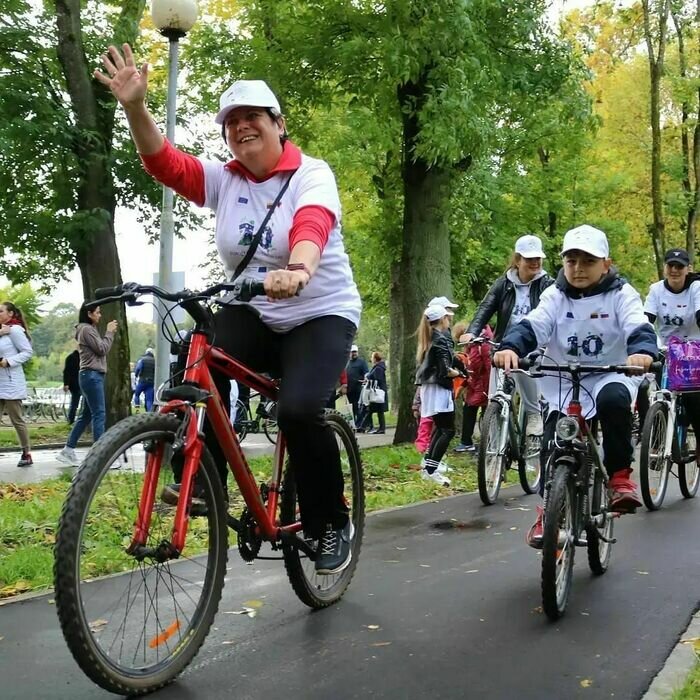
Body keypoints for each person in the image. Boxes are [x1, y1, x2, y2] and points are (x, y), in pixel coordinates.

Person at [95, 45, 362, 575]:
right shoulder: (226, 179)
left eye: (252, 118)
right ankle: (202, 480)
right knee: (201, 363)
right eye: (231, 122)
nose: (241, 128)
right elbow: (165, 163)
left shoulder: (312, 174)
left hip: (320, 312)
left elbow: (311, 225)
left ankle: (330, 520)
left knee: (299, 410)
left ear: (278, 124)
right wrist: (134, 108)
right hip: (256, 309)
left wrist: (300, 269)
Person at [493, 225, 658, 547]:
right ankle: (547, 512)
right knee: (553, 438)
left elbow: (638, 324)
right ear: (564, 264)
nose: (579, 269)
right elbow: (534, 325)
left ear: (606, 264)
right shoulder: (555, 294)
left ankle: (620, 478)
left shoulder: (621, 293)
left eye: (588, 261)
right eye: (572, 261)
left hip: (612, 371)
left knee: (614, 402)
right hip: (563, 376)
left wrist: (642, 352)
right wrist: (511, 347)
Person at [460, 235, 553, 436]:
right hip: (503, 344)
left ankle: (534, 414)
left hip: (532, 345)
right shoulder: (504, 283)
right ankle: (494, 436)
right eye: (529, 259)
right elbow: (486, 307)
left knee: (525, 368)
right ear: (518, 260)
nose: (535, 263)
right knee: (496, 393)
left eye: (538, 258)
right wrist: (471, 332)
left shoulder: (547, 284)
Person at [639, 247, 700, 438]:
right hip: (666, 349)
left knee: (694, 397)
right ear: (665, 268)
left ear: (688, 269)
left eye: (679, 267)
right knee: (656, 392)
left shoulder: (696, 287)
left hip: (693, 350)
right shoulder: (656, 290)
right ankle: (653, 430)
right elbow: (645, 320)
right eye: (670, 265)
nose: (674, 270)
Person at [57, 305, 118, 466]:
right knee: (99, 414)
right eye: (97, 312)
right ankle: (100, 457)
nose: (100, 315)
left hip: (88, 375)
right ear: (89, 314)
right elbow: (102, 349)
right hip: (92, 376)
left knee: (86, 415)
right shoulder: (87, 330)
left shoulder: (87, 329)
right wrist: (109, 332)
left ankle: (68, 450)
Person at [415, 304, 462, 486]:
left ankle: (429, 466)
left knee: (440, 429)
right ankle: (432, 470)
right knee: (447, 430)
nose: (449, 320)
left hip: (430, 387)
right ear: (442, 319)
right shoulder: (440, 339)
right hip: (438, 388)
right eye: (447, 317)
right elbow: (445, 370)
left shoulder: (429, 337)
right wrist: (459, 374)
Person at [0, 302, 34, 467]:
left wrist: (9, 361)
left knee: (16, 420)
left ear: (11, 314)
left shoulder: (14, 330)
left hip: (11, 383)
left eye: (0, 311)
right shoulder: (2, 331)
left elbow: (27, 352)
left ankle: (26, 453)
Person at [454, 325, 493, 453]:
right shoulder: (477, 344)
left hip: (481, 385)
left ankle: (472, 442)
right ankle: (479, 442)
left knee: (473, 411)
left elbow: (480, 366)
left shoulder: (479, 345)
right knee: (475, 411)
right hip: (479, 384)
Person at [359, 351, 388, 434]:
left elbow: (377, 379)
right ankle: (364, 426)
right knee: (375, 410)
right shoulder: (379, 367)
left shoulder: (378, 368)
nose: (371, 359)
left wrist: (368, 377)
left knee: (373, 410)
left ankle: (363, 426)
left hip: (377, 393)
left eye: (372, 358)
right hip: (378, 392)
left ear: (375, 359)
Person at [346, 344, 369, 425]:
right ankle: (353, 423)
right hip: (349, 389)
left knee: (358, 407)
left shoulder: (361, 362)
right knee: (351, 407)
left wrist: (365, 379)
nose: (354, 353)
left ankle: (360, 424)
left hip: (358, 388)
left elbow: (366, 372)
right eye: (352, 352)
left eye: (355, 352)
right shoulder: (347, 362)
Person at [133, 347, 155, 411]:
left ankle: (137, 410)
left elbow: (138, 368)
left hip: (142, 381)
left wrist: (136, 375)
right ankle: (149, 413)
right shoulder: (155, 361)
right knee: (149, 400)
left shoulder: (142, 360)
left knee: (137, 394)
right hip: (151, 383)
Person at [62, 348, 81, 424]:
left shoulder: (71, 357)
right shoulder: (72, 358)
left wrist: (66, 384)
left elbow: (66, 372)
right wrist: (66, 383)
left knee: (74, 403)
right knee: (74, 403)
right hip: (76, 383)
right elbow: (67, 372)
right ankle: (71, 419)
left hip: (75, 384)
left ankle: (71, 419)